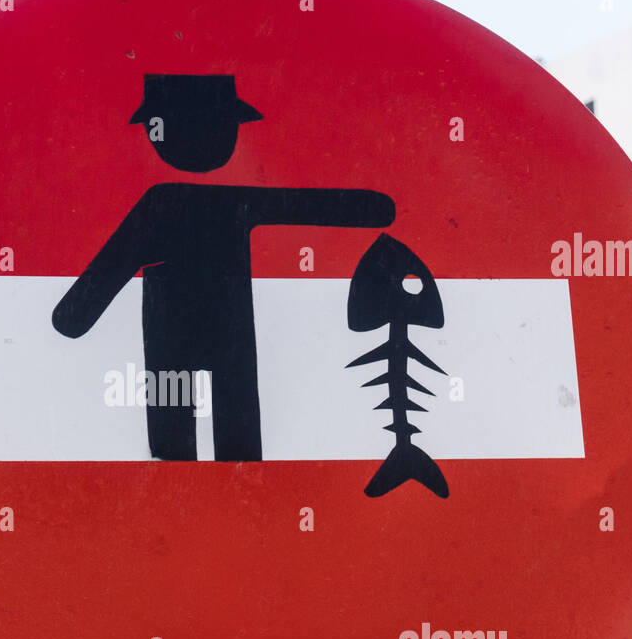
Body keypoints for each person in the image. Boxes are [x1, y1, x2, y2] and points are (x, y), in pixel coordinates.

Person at [52, 73, 395, 460]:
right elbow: (342, 206)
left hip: (179, 340)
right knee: (222, 430)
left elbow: (87, 296)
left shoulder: (163, 202)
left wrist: (75, 314)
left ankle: (207, 486)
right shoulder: (200, 202)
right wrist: (74, 314)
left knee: (183, 435)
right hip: (221, 338)